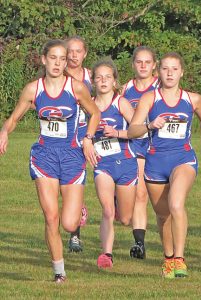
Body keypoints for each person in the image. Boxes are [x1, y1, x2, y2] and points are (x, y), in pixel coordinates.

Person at [0, 39, 100, 283]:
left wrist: (88, 138)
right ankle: (59, 272)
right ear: (44, 59)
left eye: (62, 59)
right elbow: (14, 118)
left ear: (66, 62)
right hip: (44, 155)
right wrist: (4, 131)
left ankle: (78, 212)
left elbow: (94, 113)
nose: (57, 63)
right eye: (53, 58)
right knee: (51, 217)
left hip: (72, 155)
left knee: (68, 223)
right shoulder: (33, 90)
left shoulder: (76, 88)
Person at [128, 52, 201, 278]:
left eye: (174, 69)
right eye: (165, 69)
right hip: (155, 161)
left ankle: (180, 259)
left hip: (183, 158)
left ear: (181, 72)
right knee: (163, 215)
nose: (170, 73)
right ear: (159, 72)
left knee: (176, 204)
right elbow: (132, 130)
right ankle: (168, 258)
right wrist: (150, 125)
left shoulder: (192, 99)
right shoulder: (150, 98)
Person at [92, 59, 138, 268]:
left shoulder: (121, 103)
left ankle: (120, 203)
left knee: (126, 218)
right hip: (103, 164)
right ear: (93, 81)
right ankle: (106, 255)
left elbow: (138, 131)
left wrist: (117, 132)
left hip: (126, 162)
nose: (103, 81)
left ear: (114, 81)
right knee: (107, 211)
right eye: (99, 77)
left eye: (107, 77)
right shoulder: (89, 105)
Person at [122, 46, 159, 259]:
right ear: (133, 65)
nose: (143, 66)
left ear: (154, 65)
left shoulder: (161, 85)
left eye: (147, 62)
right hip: (135, 144)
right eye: (139, 62)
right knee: (141, 193)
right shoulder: (126, 89)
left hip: (157, 145)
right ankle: (140, 243)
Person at [65, 36, 92, 252]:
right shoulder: (57, 74)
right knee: (72, 184)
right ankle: (75, 235)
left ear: (85, 54)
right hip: (66, 138)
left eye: (78, 51)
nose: (73, 55)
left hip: (89, 132)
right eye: (70, 51)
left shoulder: (91, 77)